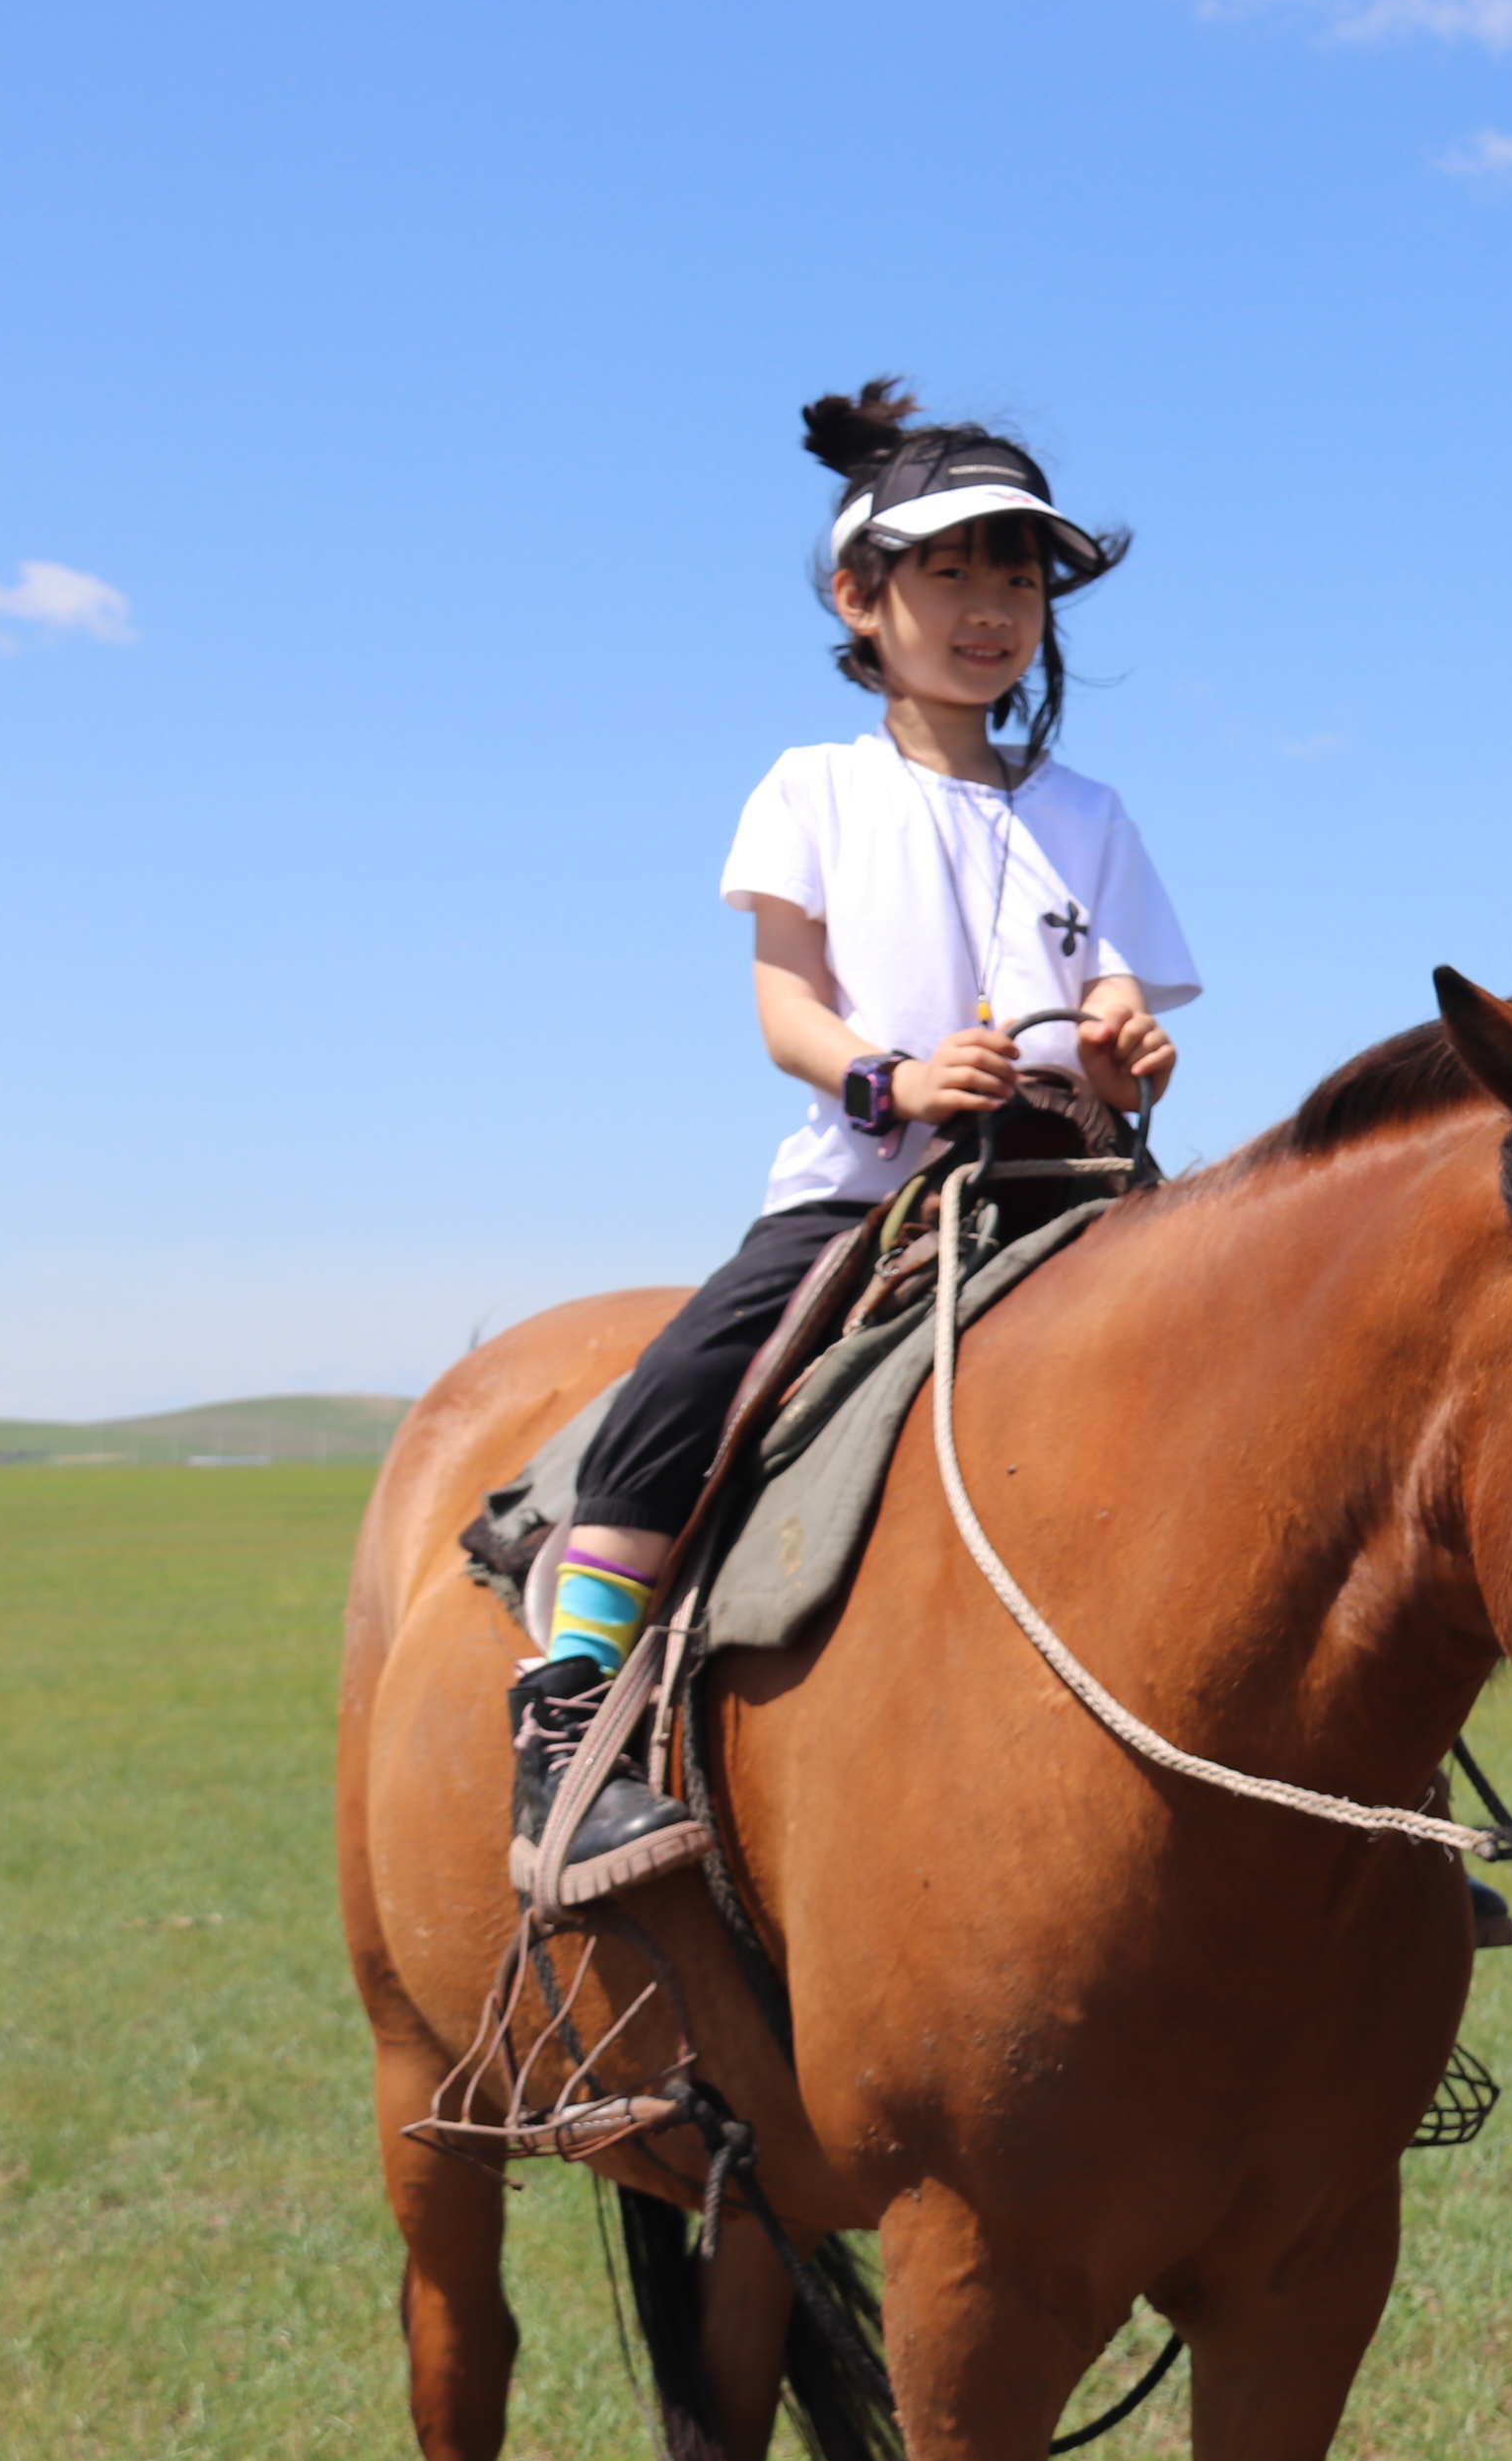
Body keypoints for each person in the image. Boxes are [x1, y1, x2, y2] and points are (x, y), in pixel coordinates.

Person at [509, 382, 1196, 1897]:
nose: (989, 608)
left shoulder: (1091, 811)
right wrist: (887, 1080)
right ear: (858, 596)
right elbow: (787, 1008)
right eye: (949, 572)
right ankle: (567, 1715)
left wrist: (1134, 1049)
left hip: (1078, 1194)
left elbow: (1120, 1008)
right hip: (872, 1191)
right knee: (686, 1387)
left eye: (1017, 576)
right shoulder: (811, 786)